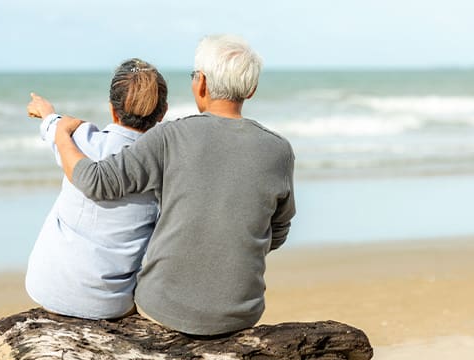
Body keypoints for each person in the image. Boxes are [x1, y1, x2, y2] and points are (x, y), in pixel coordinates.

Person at [54, 35, 296, 335]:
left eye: (195, 75)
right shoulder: (279, 150)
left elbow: (97, 182)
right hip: (241, 313)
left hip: (163, 309)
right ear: (251, 89)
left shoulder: (171, 137)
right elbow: (279, 230)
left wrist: (61, 134)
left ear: (202, 84)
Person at [25, 58, 168, 320]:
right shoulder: (163, 167)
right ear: (163, 112)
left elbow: (55, 127)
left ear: (112, 110)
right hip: (109, 305)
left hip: (46, 287)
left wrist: (45, 112)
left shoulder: (78, 140)